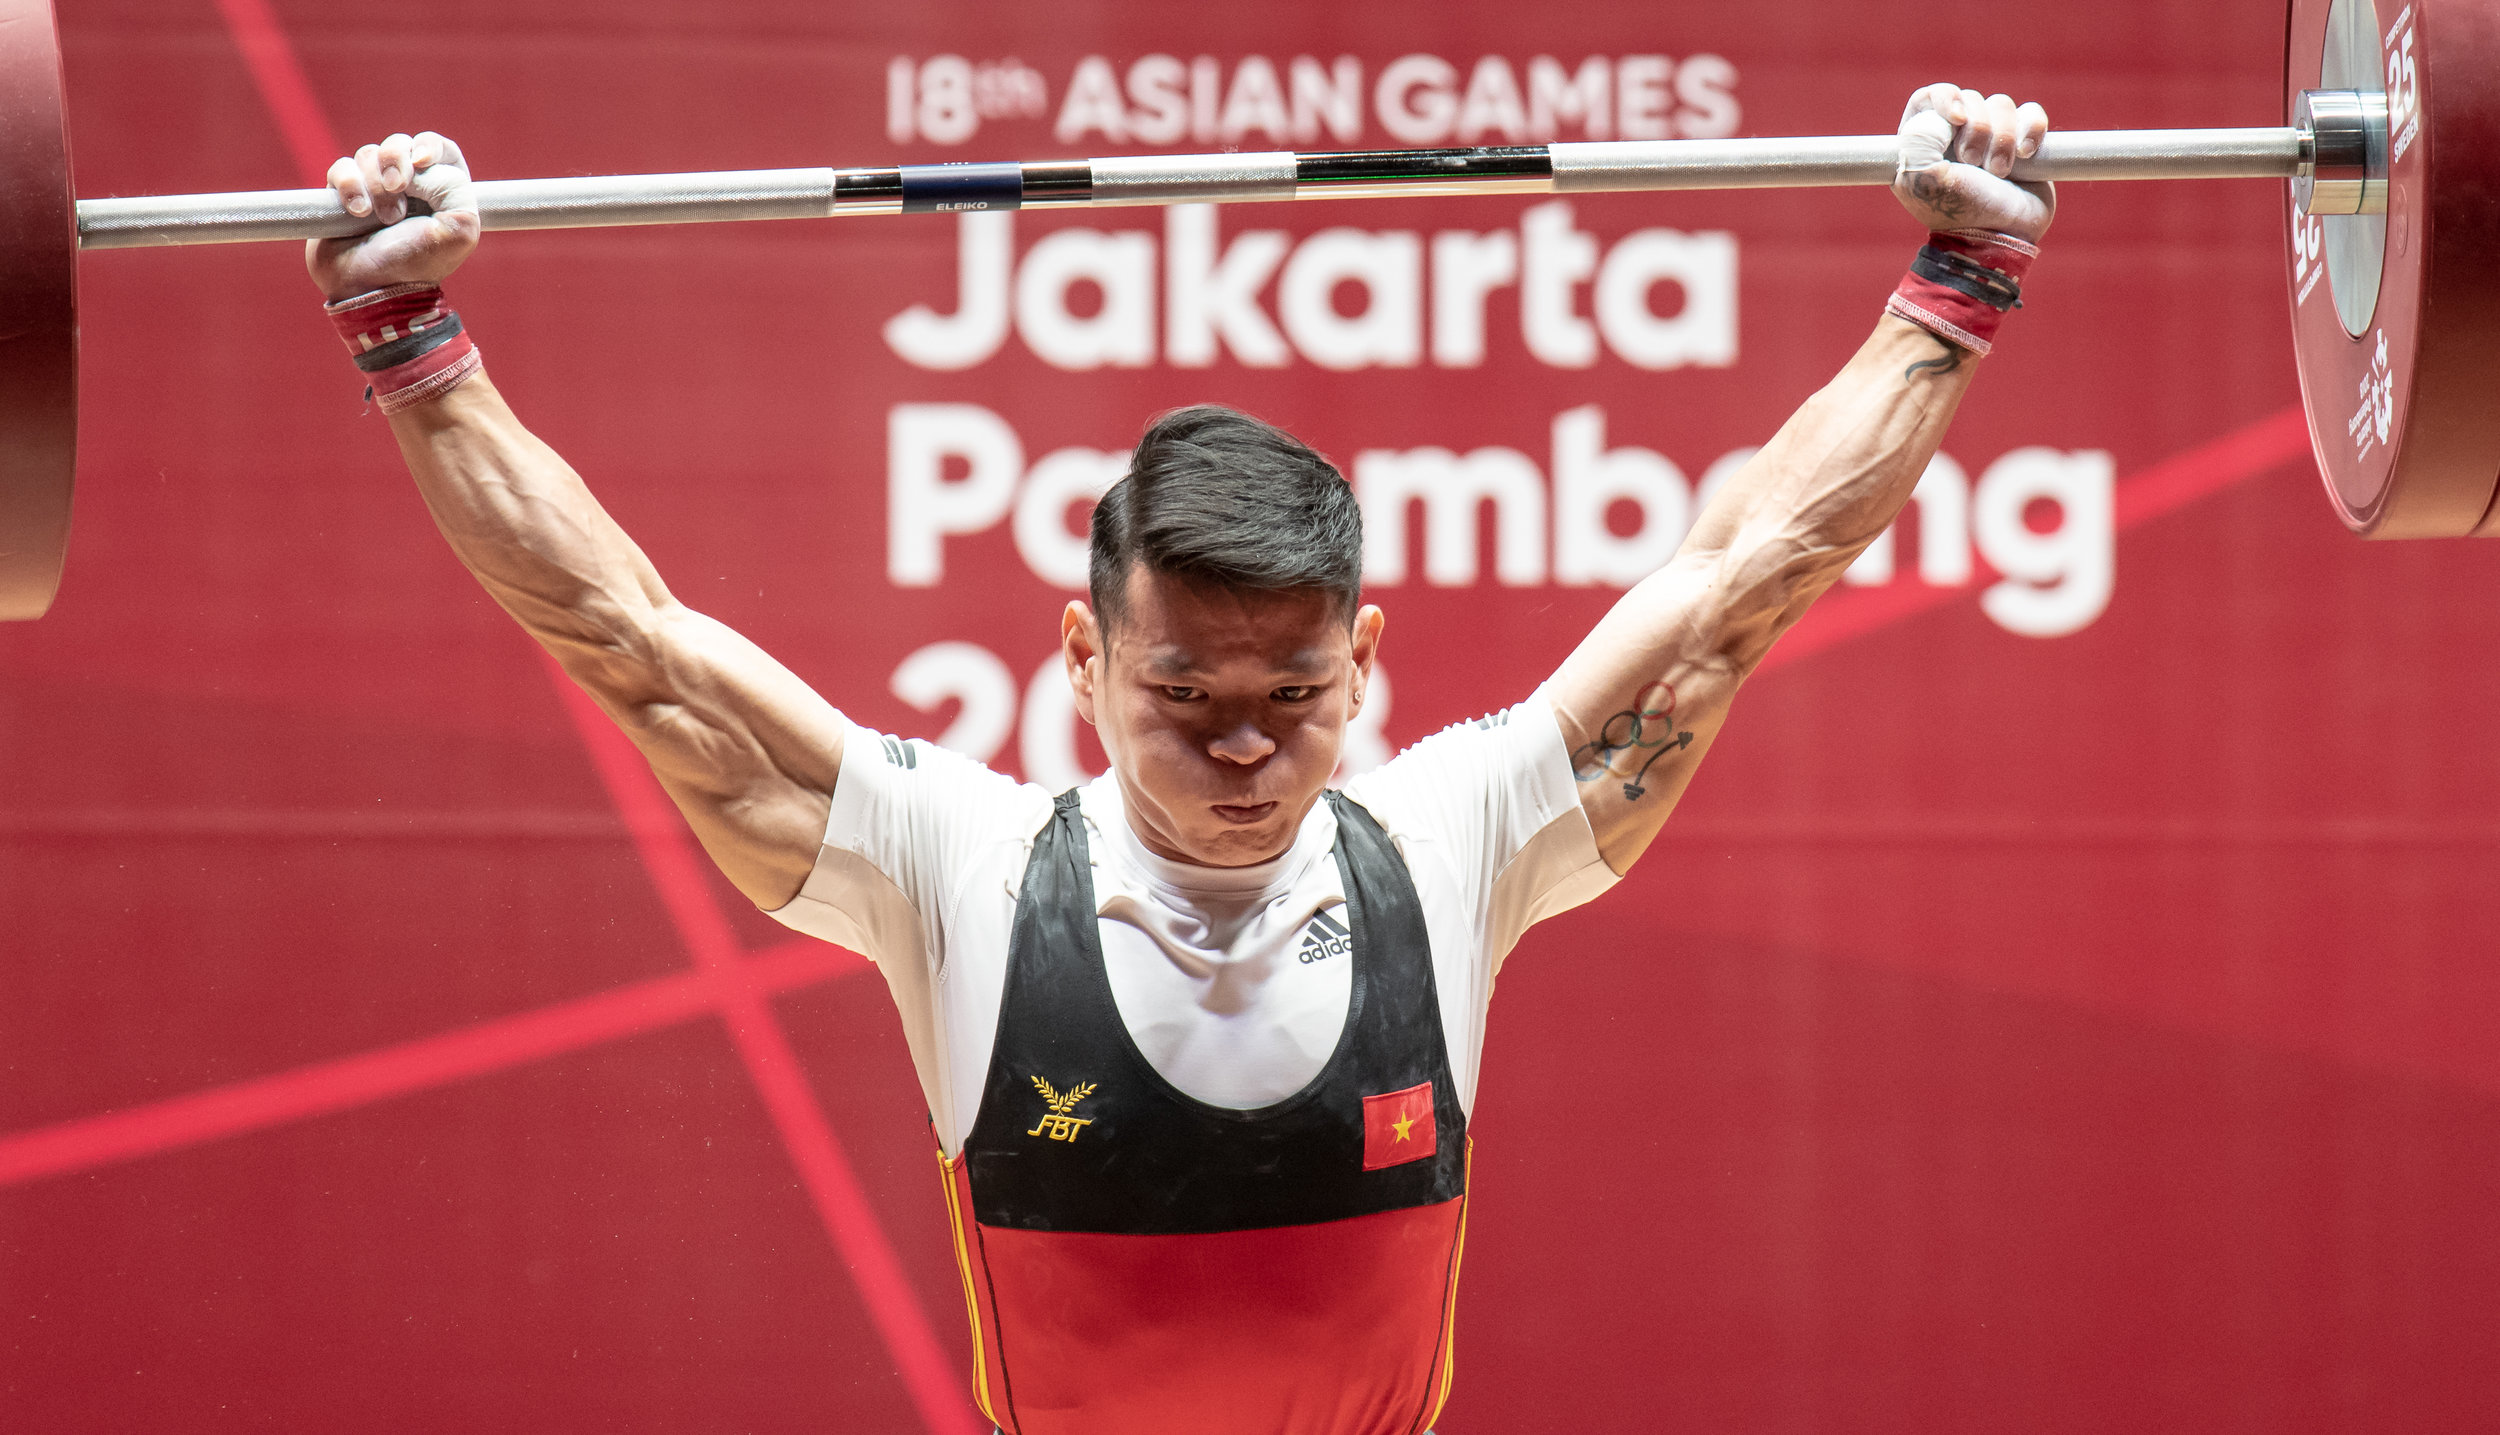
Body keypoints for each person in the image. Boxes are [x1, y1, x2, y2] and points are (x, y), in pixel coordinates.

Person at [309, 83, 2053, 1435]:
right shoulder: (962, 863)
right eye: (1181, 696)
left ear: (1364, 659)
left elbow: (1740, 587)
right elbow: (631, 642)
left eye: (1293, 698)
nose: (1243, 751)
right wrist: (415, 348)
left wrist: (1955, 286)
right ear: (1080, 662)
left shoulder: (1446, 837)